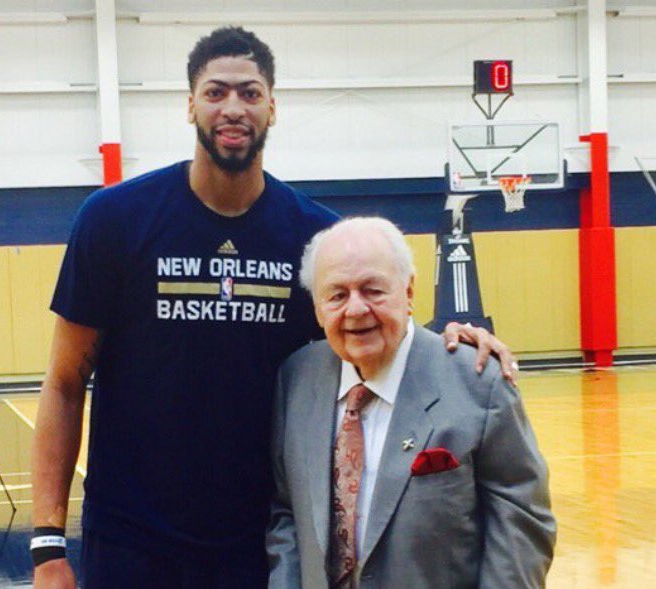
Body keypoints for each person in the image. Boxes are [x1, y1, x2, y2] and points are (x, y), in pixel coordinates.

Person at [31, 27, 516, 589]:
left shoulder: (317, 238)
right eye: (215, 92)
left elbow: (372, 345)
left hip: (263, 545)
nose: (232, 107)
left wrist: (454, 341)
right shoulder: (113, 220)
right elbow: (65, 383)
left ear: (272, 108)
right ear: (190, 105)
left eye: (250, 92)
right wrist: (47, 547)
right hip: (131, 542)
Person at [267, 217, 555, 589]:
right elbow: (287, 513)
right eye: (337, 295)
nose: (355, 310)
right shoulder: (296, 378)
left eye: (373, 290)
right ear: (318, 308)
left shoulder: (479, 382)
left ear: (408, 291)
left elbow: (520, 526)